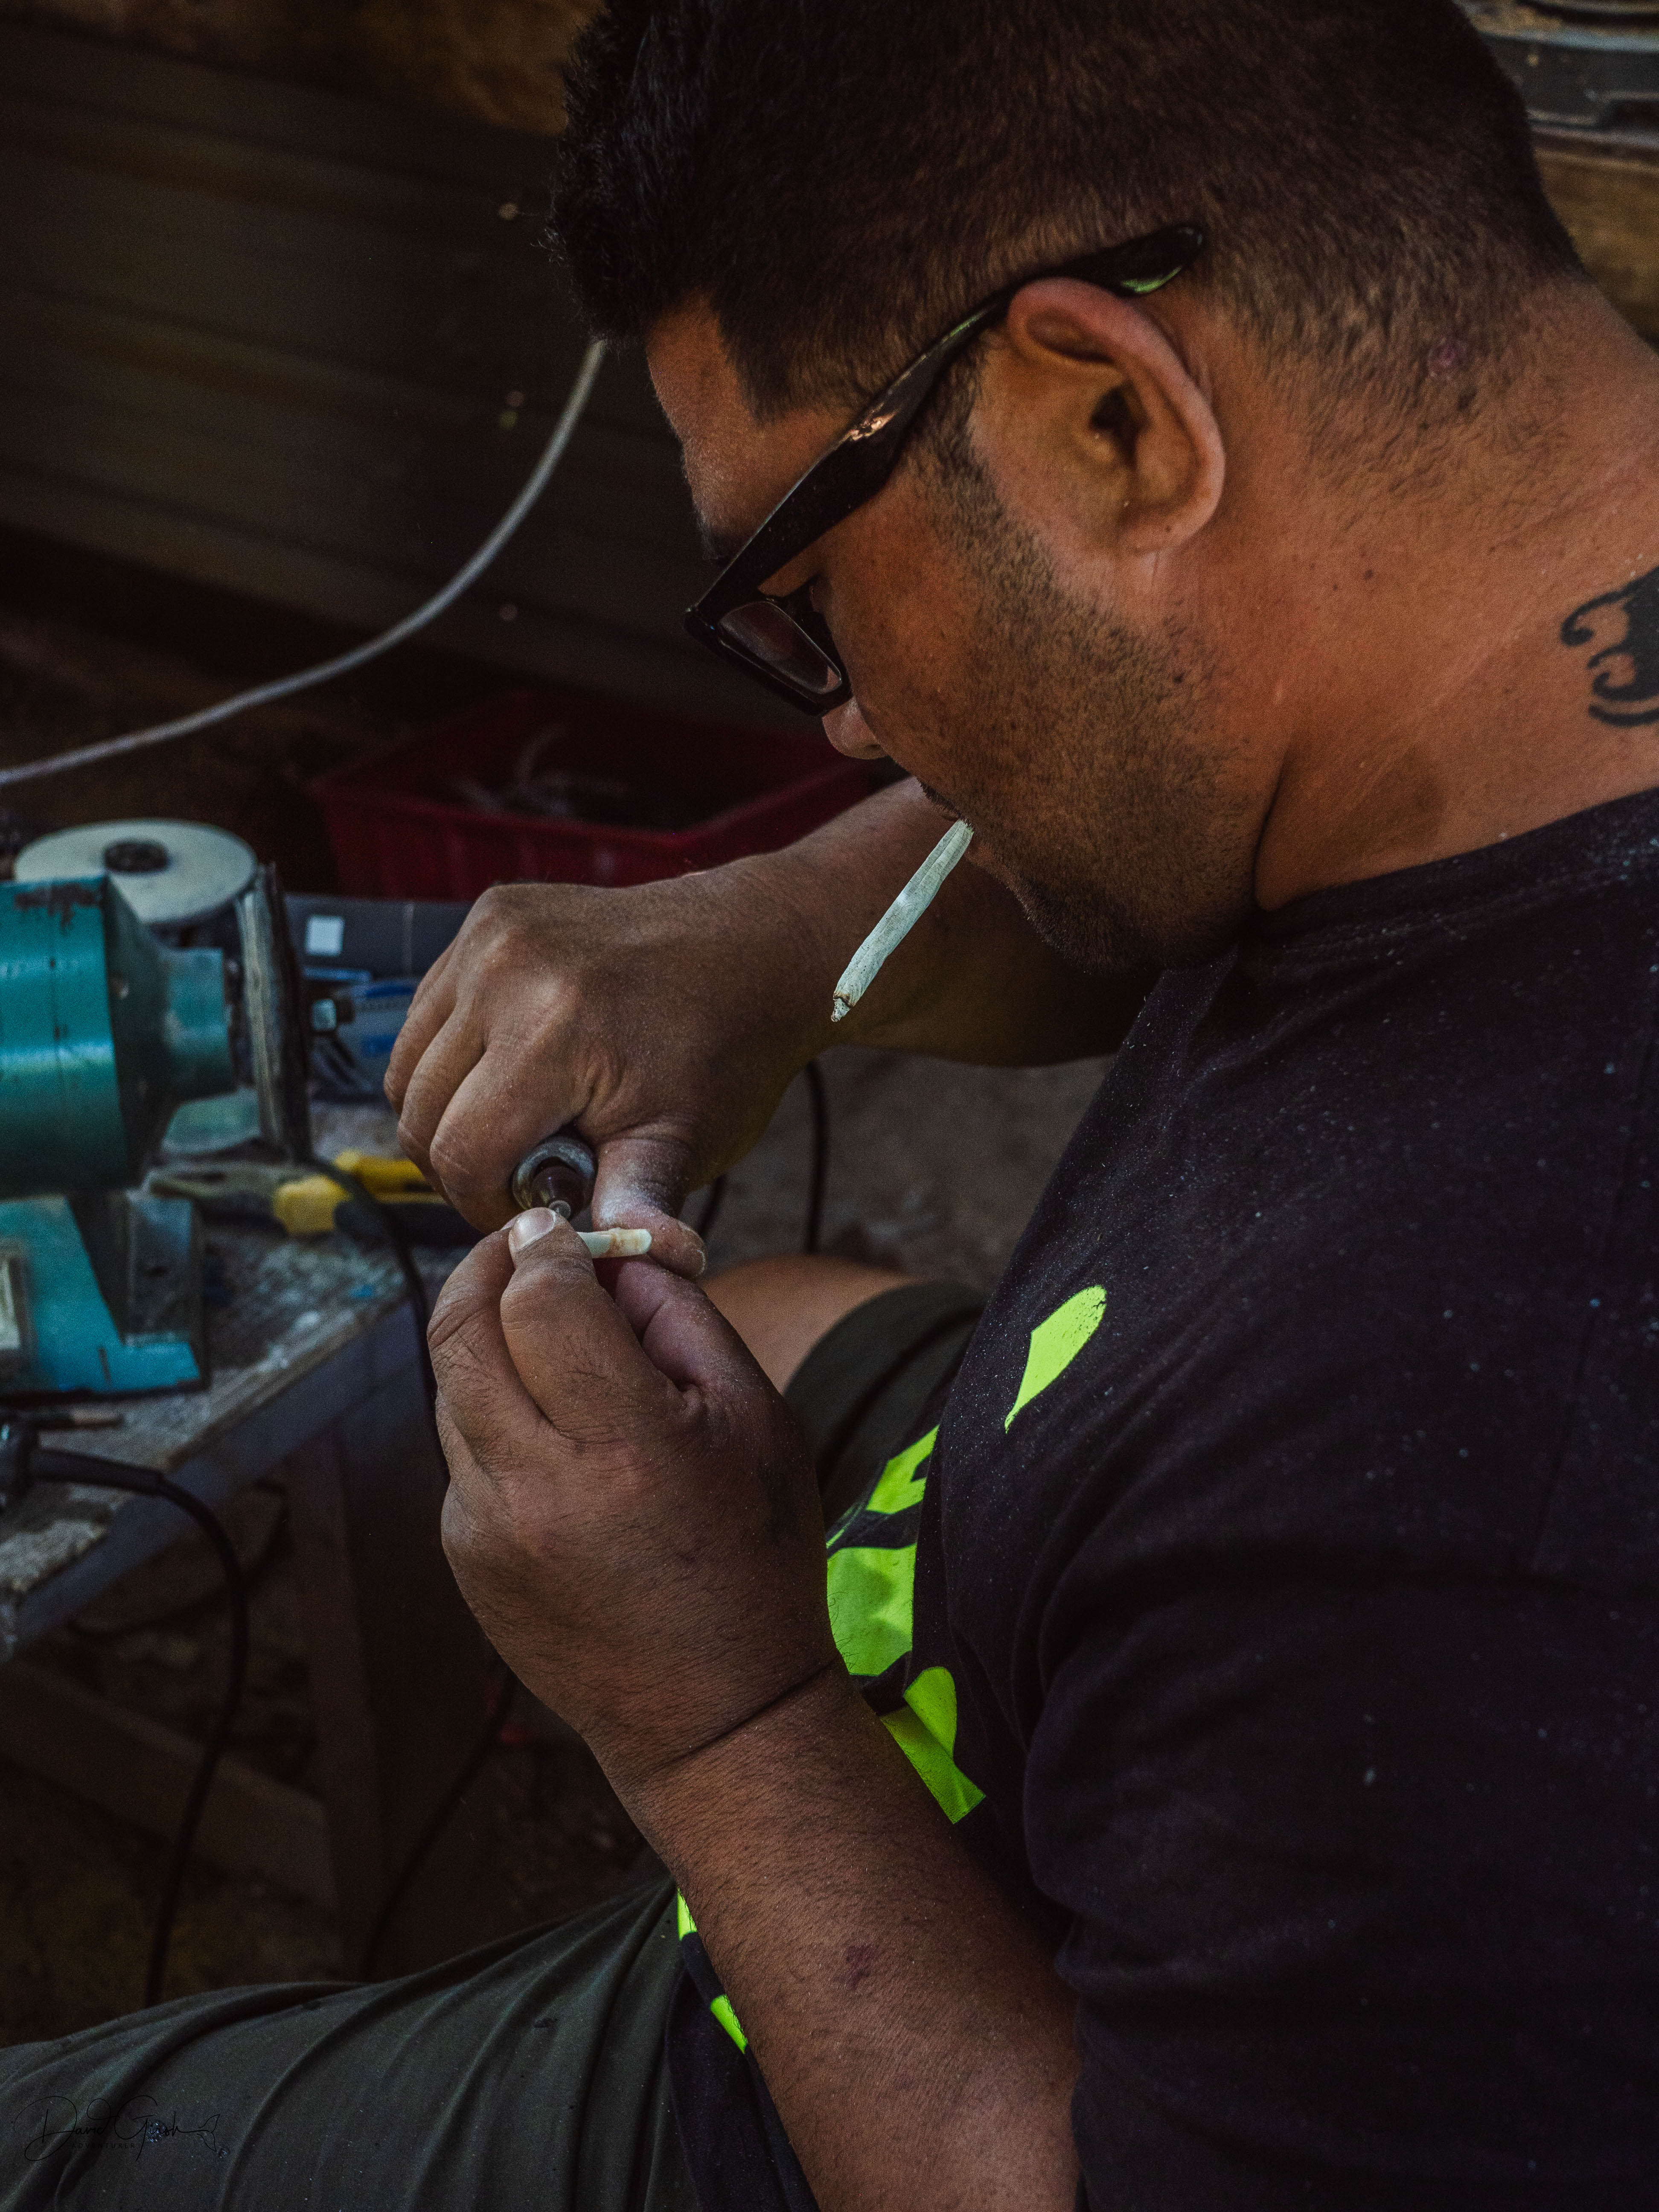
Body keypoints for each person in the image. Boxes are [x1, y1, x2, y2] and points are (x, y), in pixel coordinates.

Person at [6, 0, 1659, 2204]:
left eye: (806, 602)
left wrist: (720, 1721)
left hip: (891, 2070)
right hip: (1067, 1567)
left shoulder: (1451, 1497)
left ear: (1112, 423)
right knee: (752, 1314)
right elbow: (1190, 714)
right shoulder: (1503, 549)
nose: (853, 729)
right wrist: (769, 936)